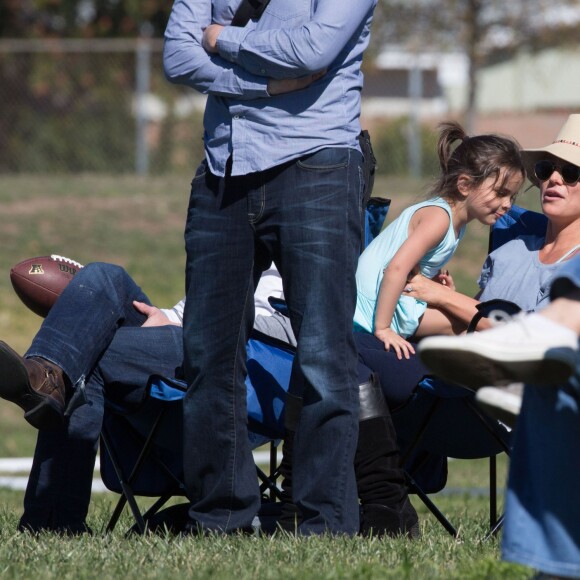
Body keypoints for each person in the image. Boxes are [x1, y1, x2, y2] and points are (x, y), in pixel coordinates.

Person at [163, 0, 377, 535]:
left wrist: (223, 39)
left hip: (318, 162)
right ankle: (220, 518)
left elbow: (313, 49)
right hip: (223, 167)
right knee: (207, 353)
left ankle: (324, 523)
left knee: (325, 356)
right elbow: (176, 57)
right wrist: (265, 85)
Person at [0, 261, 281, 534]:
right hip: (191, 336)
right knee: (104, 276)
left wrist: (197, 328)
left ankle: (51, 522)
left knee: (84, 352)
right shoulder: (241, 228)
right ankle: (43, 372)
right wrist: (169, 318)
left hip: (248, 354)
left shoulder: (308, 233)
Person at [417, 116, 580, 579]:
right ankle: (375, 503)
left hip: (527, 394)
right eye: (547, 167)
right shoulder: (511, 247)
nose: (552, 179)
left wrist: (445, 299)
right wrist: (423, 300)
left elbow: (470, 313)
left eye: (571, 173)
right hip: (457, 388)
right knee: (364, 353)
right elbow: (468, 317)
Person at [354, 121, 524, 361]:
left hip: (384, 301)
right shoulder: (439, 218)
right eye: (500, 193)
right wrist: (383, 328)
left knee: (467, 323)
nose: (507, 204)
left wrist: (433, 281)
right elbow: (395, 268)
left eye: (512, 196)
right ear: (464, 185)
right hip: (371, 309)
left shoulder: (455, 222)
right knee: (467, 327)